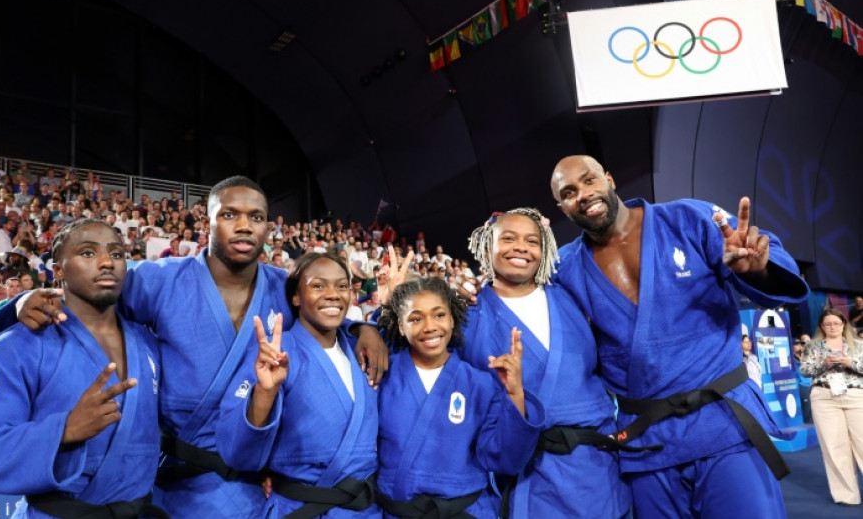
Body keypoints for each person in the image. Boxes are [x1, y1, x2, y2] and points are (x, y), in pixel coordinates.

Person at [0, 177, 389, 519]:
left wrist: (361, 328)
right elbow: (91, 288)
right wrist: (22, 301)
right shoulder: (161, 279)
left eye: (256, 217)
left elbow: (323, 307)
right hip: (174, 478)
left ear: (268, 228)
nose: (244, 226)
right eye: (229, 215)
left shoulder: (282, 286)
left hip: (250, 479)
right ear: (206, 221)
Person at [549, 155, 810, 518]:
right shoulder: (565, 269)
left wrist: (757, 271)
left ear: (609, 178)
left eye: (589, 179)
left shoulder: (688, 218)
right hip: (647, 444)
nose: (583, 194)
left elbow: (768, 261)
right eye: (568, 192)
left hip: (723, 425)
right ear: (561, 208)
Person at [0, 219, 166, 517]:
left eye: (117, 254)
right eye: (88, 253)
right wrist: (62, 432)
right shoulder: (21, 344)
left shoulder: (147, 341)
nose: (107, 262)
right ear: (58, 271)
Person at [459, 209, 631, 518]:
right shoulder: (465, 316)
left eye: (532, 241)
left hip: (599, 469)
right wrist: (371, 327)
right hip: (530, 475)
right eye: (508, 238)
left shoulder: (570, 294)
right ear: (487, 245)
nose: (521, 247)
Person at [218, 253, 380, 518]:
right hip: (301, 508)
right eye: (318, 285)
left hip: (364, 510)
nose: (333, 294)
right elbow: (236, 451)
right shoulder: (275, 353)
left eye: (342, 286)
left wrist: (369, 327)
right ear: (295, 297)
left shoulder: (361, 349)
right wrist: (265, 393)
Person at [375, 275, 545, 518]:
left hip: (466, 510)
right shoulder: (382, 376)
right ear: (401, 326)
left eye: (439, 315)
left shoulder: (480, 383)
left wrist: (515, 392)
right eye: (416, 319)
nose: (430, 326)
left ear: (452, 319)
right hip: (398, 511)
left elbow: (504, 460)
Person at [798, 309, 863, 506]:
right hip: (824, 397)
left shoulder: (858, 344)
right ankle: (846, 495)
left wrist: (850, 362)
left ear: (843, 324)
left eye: (836, 323)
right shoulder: (813, 346)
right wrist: (823, 363)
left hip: (855, 395)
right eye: (828, 324)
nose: (832, 327)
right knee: (834, 447)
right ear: (822, 326)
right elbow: (805, 370)